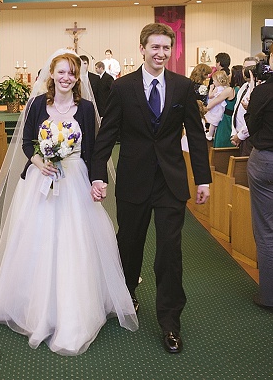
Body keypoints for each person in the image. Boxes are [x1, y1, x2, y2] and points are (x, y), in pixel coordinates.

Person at [0, 50, 137, 355]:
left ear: (78, 77)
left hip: (74, 179)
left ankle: (75, 306)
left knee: (74, 241)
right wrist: (39, 161)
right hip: (41, 180)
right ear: (51, 74)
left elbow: (95, 151)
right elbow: (27, 142)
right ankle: (32, 304)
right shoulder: (38, 104)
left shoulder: (86, 109)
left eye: (72, 73)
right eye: (61, 72)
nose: (66, 77)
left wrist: (97, 180)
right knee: (36, 239)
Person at [91, 23, 210, 354]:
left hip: (171, 182)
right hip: (134, 179)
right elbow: (107, 133)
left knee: (170, 252)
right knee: (129, 245)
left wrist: (203, 178)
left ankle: (171, 322)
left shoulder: (183, 87)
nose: (160, 53)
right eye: (154, 47)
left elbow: (196, 135)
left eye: (166, 48)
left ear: (172, 50)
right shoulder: (122, 87)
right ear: (142, 48)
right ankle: (127, 296)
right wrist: (97, 173)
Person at [246, 57, 273, 311]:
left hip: (266, 159)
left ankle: (269, 295)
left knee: (266, 229)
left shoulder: (263, 91)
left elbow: (251, 125)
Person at [214, 65, 244, 149]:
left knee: (222, 145)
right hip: (236, 121)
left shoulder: (232, 90)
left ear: (235, 75)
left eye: (230, 73)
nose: (229, 76)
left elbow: (211, 104)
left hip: (226, 120)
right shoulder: (243, 89)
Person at [204, 69, 235, 141]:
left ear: (218, 81)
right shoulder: (226, 88)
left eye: (214, 81)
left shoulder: (217, 89)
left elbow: (210, 96)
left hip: (215, 107)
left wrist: (211, 89)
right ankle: (213, 134)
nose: (213, 82)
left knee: (213, 121)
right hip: (221, 107)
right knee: (216, 121)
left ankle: (210, 135)